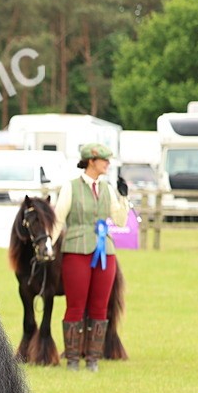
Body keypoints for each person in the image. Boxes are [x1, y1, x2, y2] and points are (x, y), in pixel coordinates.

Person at [49, 142, 129, 372]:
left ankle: (93, 358)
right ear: (91, 162)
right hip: (76, 251)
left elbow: (120, 221)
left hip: (105, 252)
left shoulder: (107, 189)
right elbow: (58, 219)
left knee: (100, 306)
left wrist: (124, 197)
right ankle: (73, 359)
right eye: (104, 160)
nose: (108, 164)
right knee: (75, 305)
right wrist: (49, 245)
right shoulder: (71, 187)